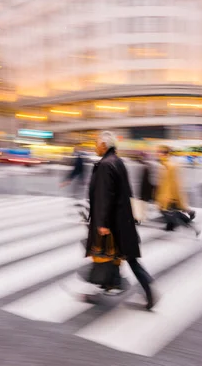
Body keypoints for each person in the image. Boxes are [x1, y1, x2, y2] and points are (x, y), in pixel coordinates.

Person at [85, 131, 155, 309]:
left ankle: (115, 287)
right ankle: (116, 287)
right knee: (125, 258)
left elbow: (104, 196)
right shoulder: (118, 161)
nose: (94, 146)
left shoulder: (106, 165)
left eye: (96, 143)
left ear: (103, 145)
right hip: (122, 220)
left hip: (112, 222)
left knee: (107, 255)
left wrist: (102, 223)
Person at [155, 145, 197, 234]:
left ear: (166, 154)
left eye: (160, 152)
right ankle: (170, 227)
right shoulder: (164, 164)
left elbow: (174, 184)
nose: (158, 154)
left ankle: (192, 226)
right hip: (165, 195)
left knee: (172, 213)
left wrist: (174, 197)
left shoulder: (170, 165)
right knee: (170, 212)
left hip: (168, 196)